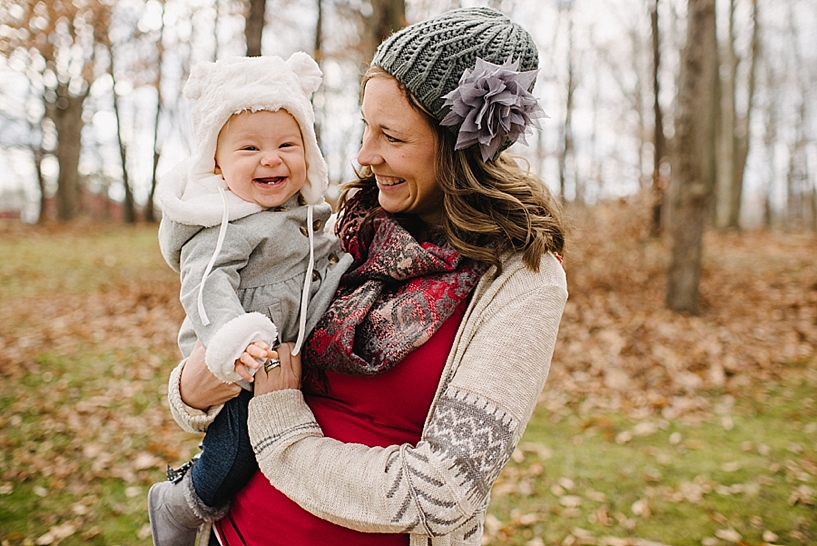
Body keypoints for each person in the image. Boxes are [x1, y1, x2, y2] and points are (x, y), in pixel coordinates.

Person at [167, 6, 568, 546]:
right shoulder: (345, 232)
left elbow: (443, 496)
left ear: (460, 148)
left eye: (392, 137)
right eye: (364, 127)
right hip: (232, 532)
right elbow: (219, 364)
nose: (364, 154)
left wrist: (278, 423)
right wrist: (190, 390)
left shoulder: (523, 280)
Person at [148, 52, 352, 545]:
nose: (271, 157)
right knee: (237, 448)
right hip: (239, 356)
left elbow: (320, 259)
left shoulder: (304, 212)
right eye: (249, 148)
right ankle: (183, 503)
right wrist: (233, 339)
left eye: (288, 143)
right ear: (216, 162)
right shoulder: (223, 223)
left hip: (283, 355)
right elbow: (205, 283)